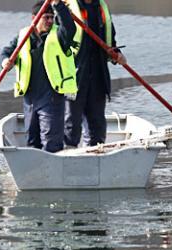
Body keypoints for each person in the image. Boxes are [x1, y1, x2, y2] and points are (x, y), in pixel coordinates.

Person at [0, 0, 77, 153]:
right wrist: (5, 62)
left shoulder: (59, 35)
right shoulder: (23, 35)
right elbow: (5, 52)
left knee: (51, 143)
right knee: (32, 141)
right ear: (34, 18)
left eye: (51, 17)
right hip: (30, 99)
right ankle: (34, 173)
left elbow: (70, 27)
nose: (49, 21)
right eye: (45, 17)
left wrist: (58, 5)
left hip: (52, 98)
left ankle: (53, 172)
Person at [63, 0, 127, 148]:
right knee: (71, 123)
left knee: (97, 124)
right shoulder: (68, 6)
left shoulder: (101, 8)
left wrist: (116, 54)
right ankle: (68, 155)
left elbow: (110, 40)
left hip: (98, 75)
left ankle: (95, 152)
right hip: (74, 76)